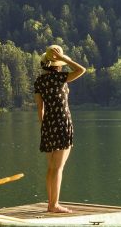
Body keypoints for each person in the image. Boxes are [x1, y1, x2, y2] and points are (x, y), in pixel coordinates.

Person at [33, 44, 86, 213]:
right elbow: (81, 70)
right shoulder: (60, 77)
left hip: (48, 124)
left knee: (51, 167)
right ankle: (54, 205)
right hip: (62, 123)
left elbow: (40, 108)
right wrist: (64, 59)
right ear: (57, 63)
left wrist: (44, 126)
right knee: (58, 167)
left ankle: (51, 203)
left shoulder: (39, 81)